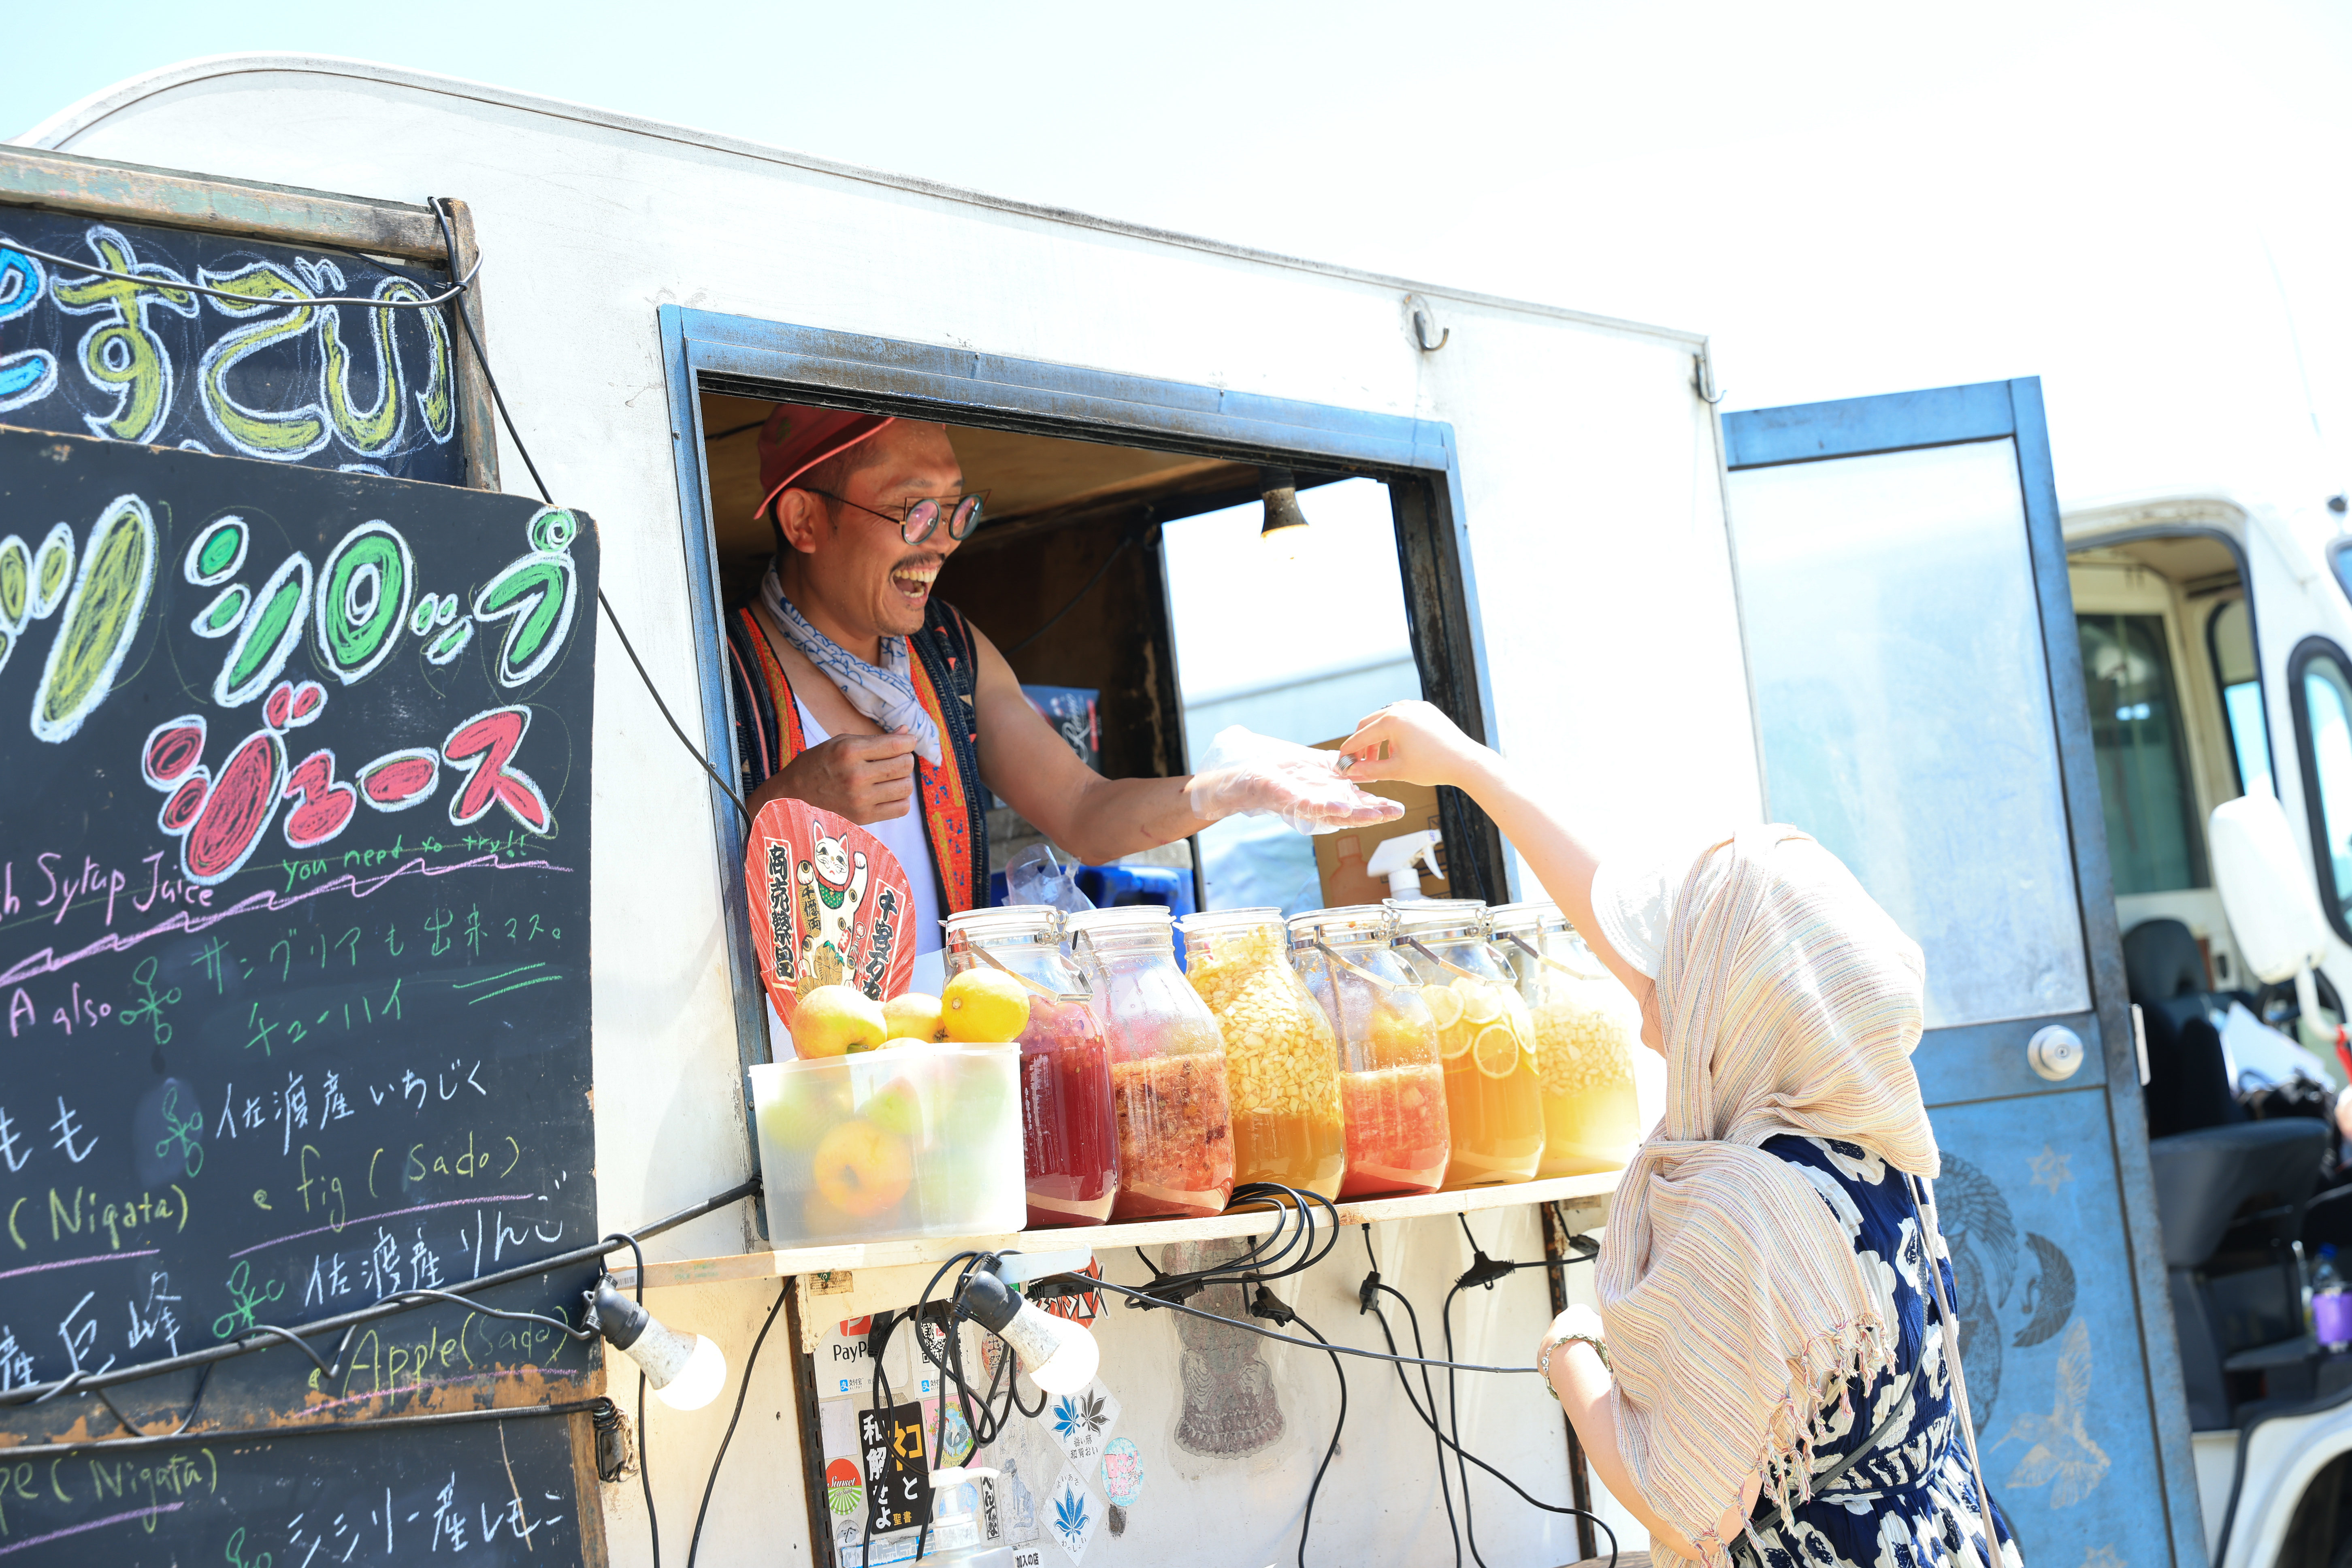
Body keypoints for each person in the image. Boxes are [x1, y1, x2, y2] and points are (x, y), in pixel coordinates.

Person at [1337, 700, 2018, 1568]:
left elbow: (1682, 1507)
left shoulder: (1753, 1211)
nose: (1651, 993)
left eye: (1683, 967)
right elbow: (1645, 945)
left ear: (1735, 1002)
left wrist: (1572, 1357)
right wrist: (1469, 766)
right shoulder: (1880, 1152)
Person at [724, 405, 1396, 992]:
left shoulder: (951, 652)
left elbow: (1083, 809)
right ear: (805, 519)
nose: (944, 542)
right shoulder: (724, 679)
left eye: (956, 510)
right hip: (804, 1081)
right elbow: (663, 906)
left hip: (954, 1055)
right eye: (913, 511)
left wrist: (1229, 789)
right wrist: (776, 810)